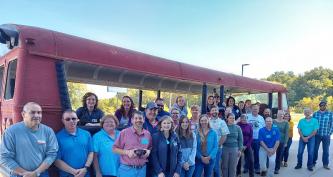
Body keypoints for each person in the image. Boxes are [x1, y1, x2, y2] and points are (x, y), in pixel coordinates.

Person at [0, 102, 58, 177]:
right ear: (23, 114)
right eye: (32, 112)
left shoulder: (48, 131)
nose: (37, 115)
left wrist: (36, 172)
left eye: (39, 112)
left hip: (41, 174)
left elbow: (52, 154)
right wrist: (26, 174)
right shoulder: (11, 132)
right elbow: (4, 157)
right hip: (18, 175)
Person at [113, 111, 152, 177]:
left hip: (142, 170)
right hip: (127, 170)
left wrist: (149, 151)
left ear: (144, 120)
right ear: (132, 120)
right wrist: (127, 152)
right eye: (136, 118)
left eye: (140, 118)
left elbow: (150, 147)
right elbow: (114, 149)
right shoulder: (124, 132)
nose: (138, 120)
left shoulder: (147, 134)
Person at [55, 110, 93, 177]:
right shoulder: (57, 137)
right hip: (67, 175)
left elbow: (91, 152)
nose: (71, 121)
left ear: (77, 119)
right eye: (67, 119)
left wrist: (85, 168)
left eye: (73, 118)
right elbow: (56, 161)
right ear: (63, 121)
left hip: (85, 174)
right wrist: (74, 172)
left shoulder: (86, 134)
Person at [209, 106, 230, 177]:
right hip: (207, 148)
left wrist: (217, 146)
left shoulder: (222, 122)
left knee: (216, 167)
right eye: (213, 110)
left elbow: (224, 136)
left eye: (216, 110)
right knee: (208, 167)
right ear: (210, 112)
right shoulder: (207, 121)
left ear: (218, 112)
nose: (214, 111)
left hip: (217, 148)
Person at [313, 101, 333, 169]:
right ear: (319, 106)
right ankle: (313, 163)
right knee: (315, 149)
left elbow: (332, 124)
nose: (323, 106)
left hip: (326, 135)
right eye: (321, 105)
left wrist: (329, 133)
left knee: (326, 151)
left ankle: (325, 164)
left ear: (326, 106)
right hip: (317, 135)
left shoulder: (330, 113)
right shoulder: (315, 114)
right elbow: (313, 124)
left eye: (324, 105)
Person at [222, 113, 243, 177]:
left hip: (234, 149)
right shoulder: (224, 127)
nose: (232, 119)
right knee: (224, 166)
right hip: (225, 148)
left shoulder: (238, 128)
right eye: (230, 118)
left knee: (233, 167)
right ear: (227, 119)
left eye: (233, 118)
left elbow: (240, 139)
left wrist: (240, 150)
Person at [247, 105, 265, 174]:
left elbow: (263, 128)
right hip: (249, 139)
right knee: (248, 154)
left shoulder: (261, 118)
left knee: (257, 154)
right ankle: (247, 167)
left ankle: (257, 167)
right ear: (251, 109)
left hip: (257, 139)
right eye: (254, 109)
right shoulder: (247, 116)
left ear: (258, 110)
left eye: (256, 109)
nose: (255, 110)